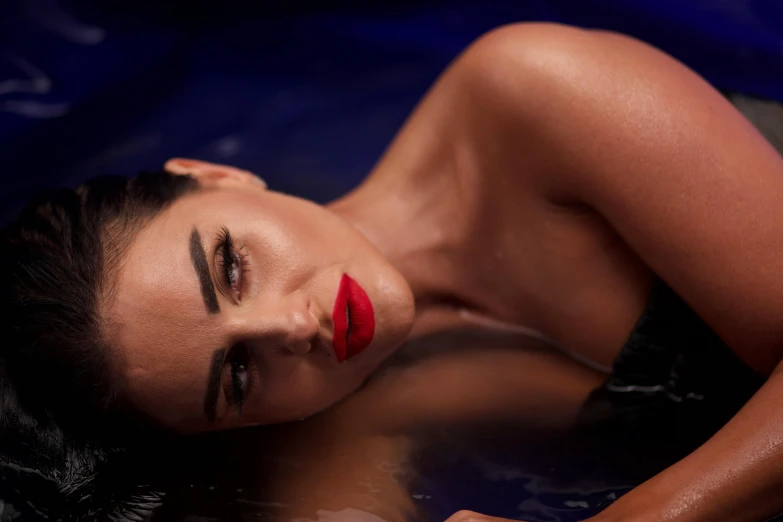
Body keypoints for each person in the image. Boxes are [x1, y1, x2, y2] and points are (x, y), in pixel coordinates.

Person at [2, 22, 783, 521]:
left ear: (218, 176)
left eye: (231, 266)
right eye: (235, 375)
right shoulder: (342, 414)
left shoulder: (533, 95)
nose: (290, 327)